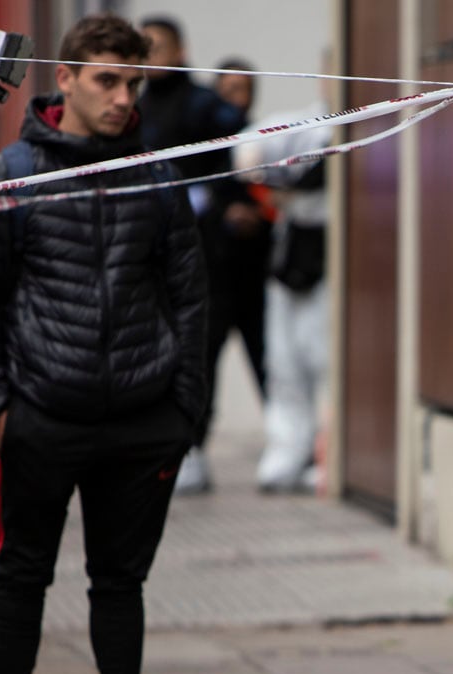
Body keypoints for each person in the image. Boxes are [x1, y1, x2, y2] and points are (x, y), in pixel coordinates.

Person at [0, 14, 204, 674]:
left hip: (140, 418)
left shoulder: (159, 174)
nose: (124, 98)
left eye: (135, 83)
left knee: (120, 580)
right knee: (22, 571)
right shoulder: (12, 176)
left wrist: (183, 410)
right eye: (107, 80)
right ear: (66, 80)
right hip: (40, 413)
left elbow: (190, 295)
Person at [139, 16, 249, 495]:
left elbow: (241, 145)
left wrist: (212, 200)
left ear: (180, 49)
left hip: (208, 255)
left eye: (157, 46)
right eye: (142, 49)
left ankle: (193, 446)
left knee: (201, 349)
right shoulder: (135, 106)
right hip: (149, 253)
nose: (149, 57)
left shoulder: (206, 104)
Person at [230, 94, 332, 493]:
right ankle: (288, 449)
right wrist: (272, 179)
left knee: (324, 361)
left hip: (328, 259)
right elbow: (245, 151)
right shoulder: (306, 123)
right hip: (290, 258)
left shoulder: (342, 129)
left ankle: (324, 454)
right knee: (284, 364)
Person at [201, 61, 272, 406]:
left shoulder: (266, 142)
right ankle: (196, 448)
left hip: (254, 274)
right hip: (212, 275)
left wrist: (258, 215)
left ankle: (283, 438)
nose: (234, 99)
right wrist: (221, 213)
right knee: (203, 363)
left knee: (268, 363)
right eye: (227, 90)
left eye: (241, 89)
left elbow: (278, 200)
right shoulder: (199, 149)